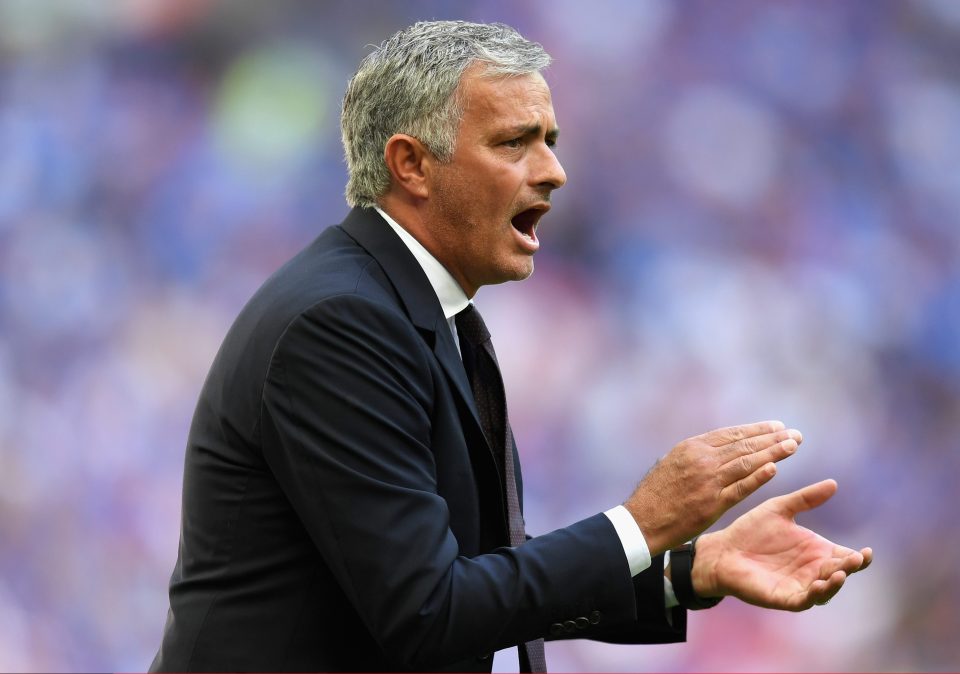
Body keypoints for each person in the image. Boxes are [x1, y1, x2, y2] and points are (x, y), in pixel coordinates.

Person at [149, 20, 872, 672]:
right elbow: (430, 613)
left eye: (549, 141)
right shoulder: (339, 323)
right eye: (513, 143)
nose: (553, 171)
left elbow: (475, 580)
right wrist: (639, 524)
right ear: (411, 165)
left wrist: (687, 569)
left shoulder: (423, 307)